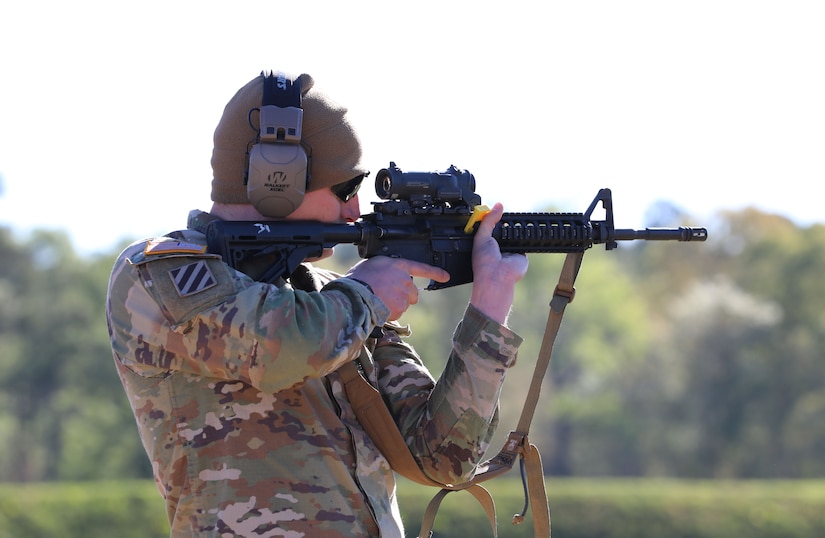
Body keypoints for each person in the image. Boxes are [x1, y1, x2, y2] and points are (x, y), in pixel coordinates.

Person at [106, 70, 528, 538]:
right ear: (277, 179)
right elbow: (276, 347)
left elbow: (445, 458)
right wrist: (368, 295)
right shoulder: (155, 277)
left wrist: (490, 306)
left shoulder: (335, 300)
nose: (355, 209)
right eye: (345, 190)